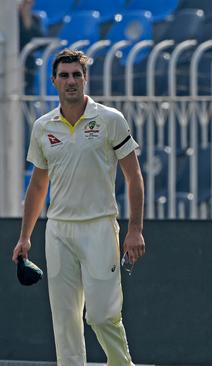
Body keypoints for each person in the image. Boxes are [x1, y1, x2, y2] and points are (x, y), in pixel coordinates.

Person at [11, 49, 145, 365]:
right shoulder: (44, 126)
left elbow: (134, 176)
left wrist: (135, 229)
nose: (71, 81)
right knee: (65, 322)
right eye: (64, 76)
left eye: (76, 75)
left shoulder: (110, 119)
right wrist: (24, 236)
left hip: (99, 226)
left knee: (101, 315)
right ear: (54, 81)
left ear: (85, 79)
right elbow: (39, 185)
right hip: (58, 230)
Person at [19, 0, 45, 94]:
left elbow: (41, 43)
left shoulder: (34, 19)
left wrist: (27, 19)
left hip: (26, 62)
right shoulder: (6, 21)